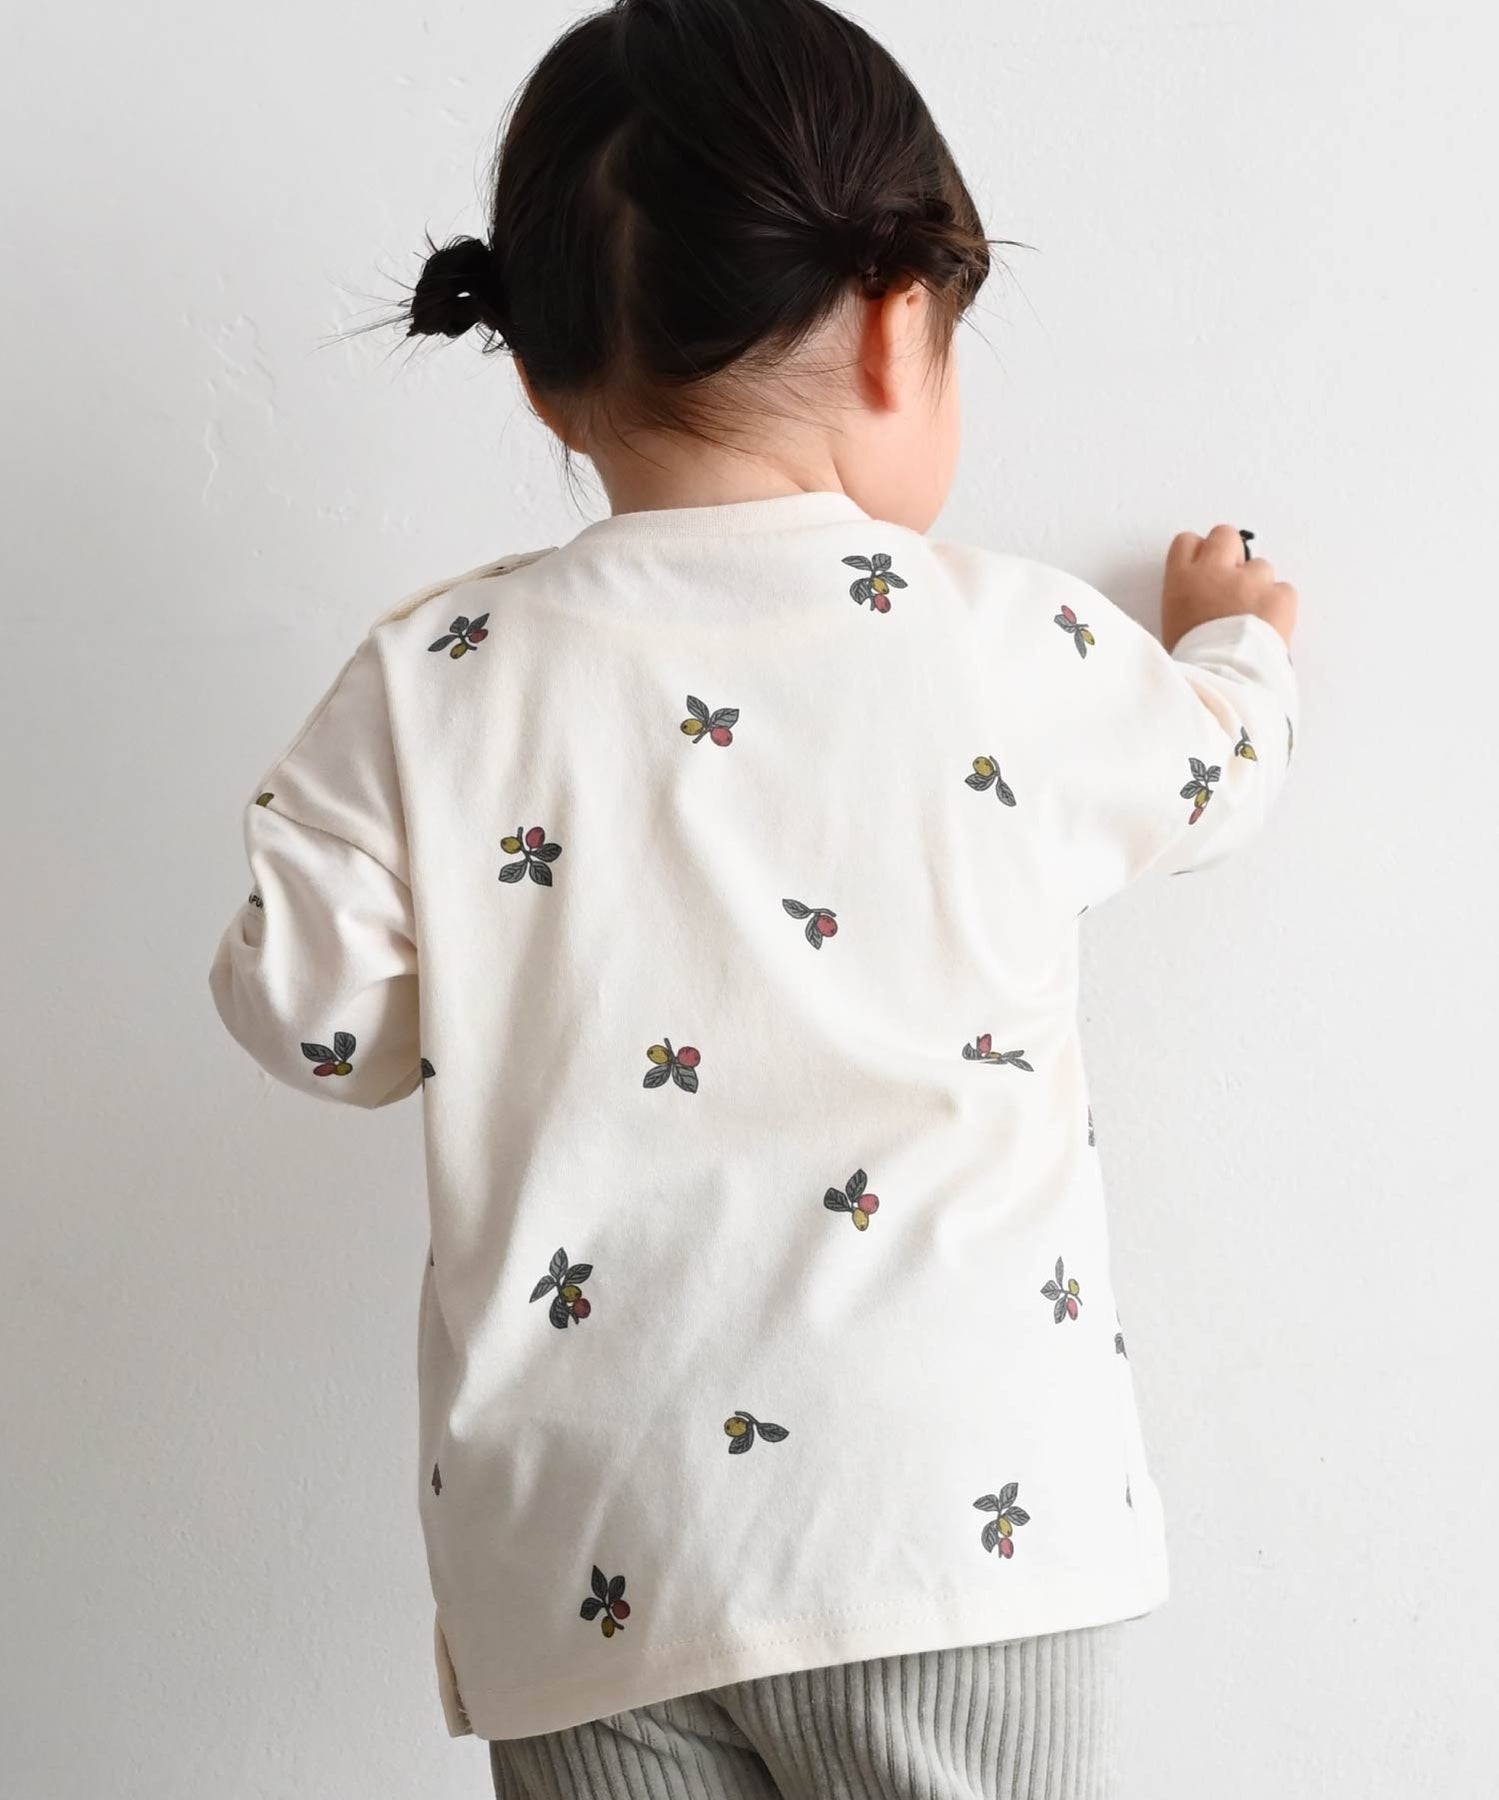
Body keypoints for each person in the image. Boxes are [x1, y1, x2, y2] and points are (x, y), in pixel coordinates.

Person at [208, 1, 1298, 1793]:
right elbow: (1217, 773)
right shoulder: (1010, 645)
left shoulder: (435, 678)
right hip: (952, 1523)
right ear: (893, 326)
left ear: (537, 372)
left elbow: (317, 1021)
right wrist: (1235, 642)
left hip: (583, 1562)